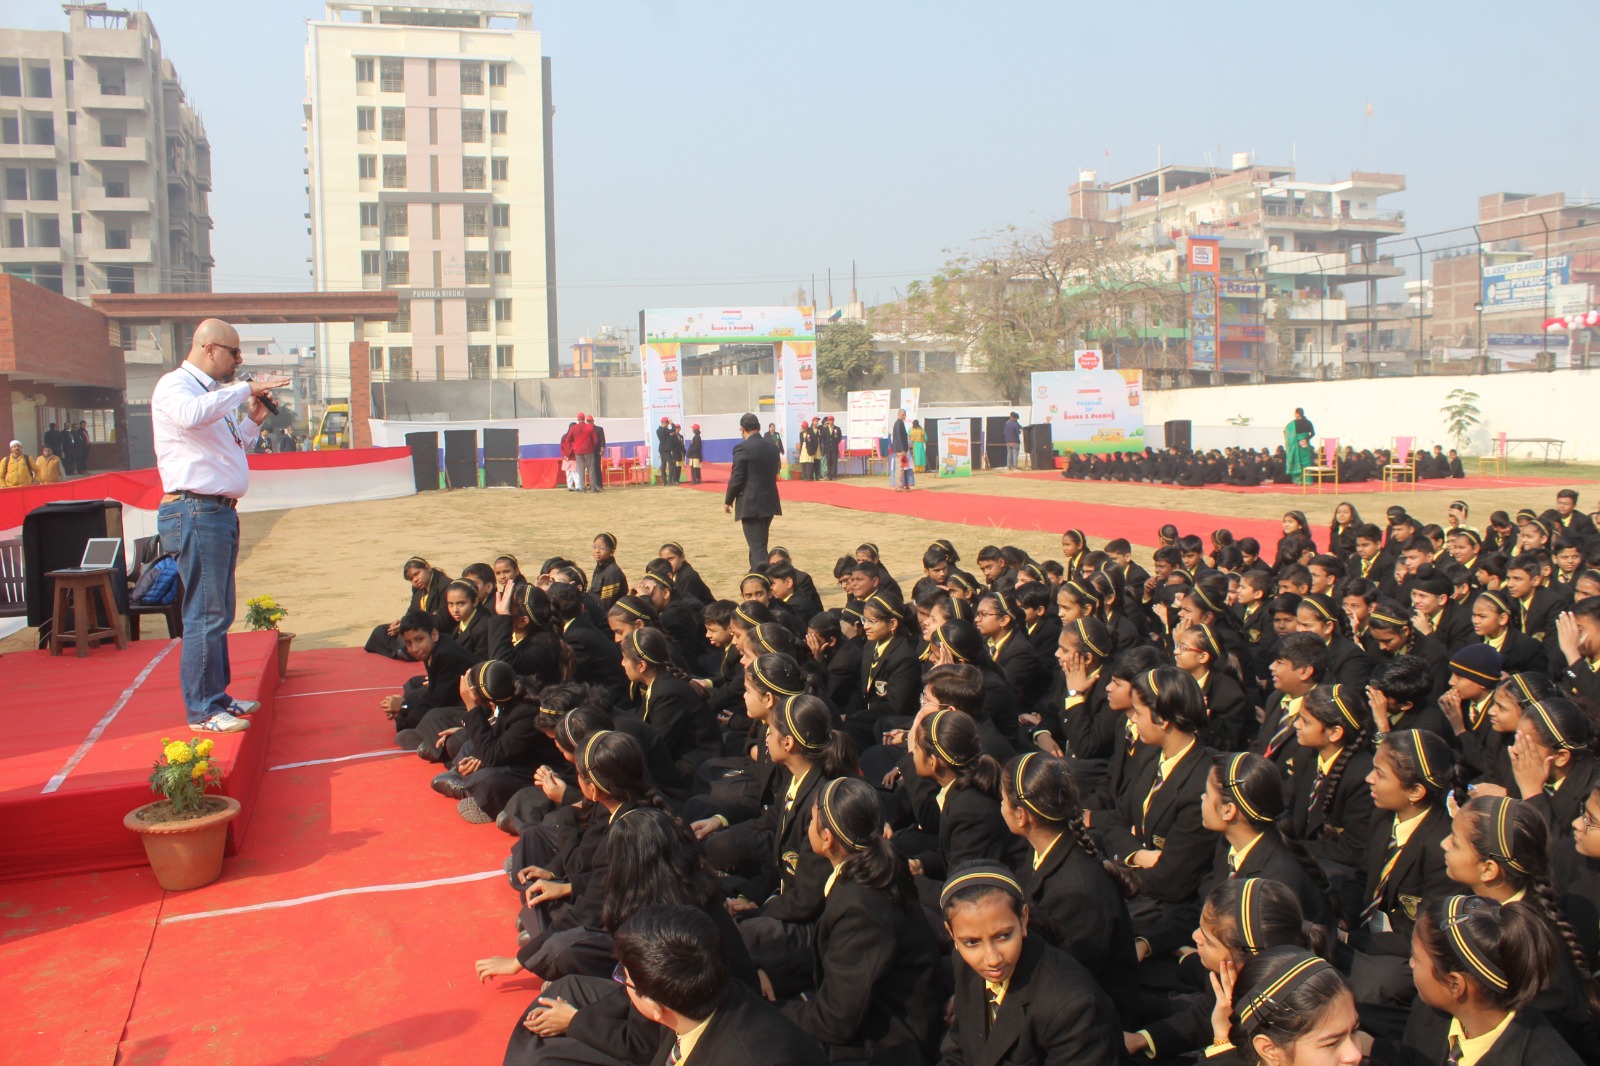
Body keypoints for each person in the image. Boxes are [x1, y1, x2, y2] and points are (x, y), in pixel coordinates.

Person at [151, 318, 290, 734]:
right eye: (234, 353)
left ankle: (218, 696)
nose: (238, 362)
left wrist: (253, 418)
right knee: (205, 612)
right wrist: (243, 389)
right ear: (209, 348)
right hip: (194, 509)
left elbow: (234, 447)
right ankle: (203, 709)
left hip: (217, 511)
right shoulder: (176, 387)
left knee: (219, 610)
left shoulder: (214, 394)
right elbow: (192, 418)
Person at [615, 906, 827, 1066]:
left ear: (655, 1006)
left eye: (626, 980)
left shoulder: (750, 1055)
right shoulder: (705, 1004)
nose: (625, 984)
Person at [725, 413, 783, 569]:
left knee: (757, 548)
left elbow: (737, 477)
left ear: (742, 429)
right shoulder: (772, 447)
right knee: (759, 544)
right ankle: (756, 575)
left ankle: (763, 580)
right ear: (759, 427)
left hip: (750, 503)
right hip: (769, 501)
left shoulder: (742, 448)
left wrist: (728, 500)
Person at [1283, 407, 1315, 485]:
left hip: (1296, 444)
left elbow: (1286, 432)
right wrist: (1306, 439)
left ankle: (1298, 481)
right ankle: (1308, 481)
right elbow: (1313, 433)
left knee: (1297, 461)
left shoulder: (1292, 424)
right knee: (1306, 462)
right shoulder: (1308, 422)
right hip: (1306, 444)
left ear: (1297, 413)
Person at [588, 414, 606, 492]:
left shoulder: (599, 429)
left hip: (596, 451)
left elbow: (602, 440)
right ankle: (593, 484)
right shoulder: (586, 430)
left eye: (589, 421)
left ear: (593, 421)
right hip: (588, 451)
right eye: (587, 421)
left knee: (597, 468)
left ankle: (599, 484)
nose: (588, 422)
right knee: (590, 469)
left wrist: (601, 449)